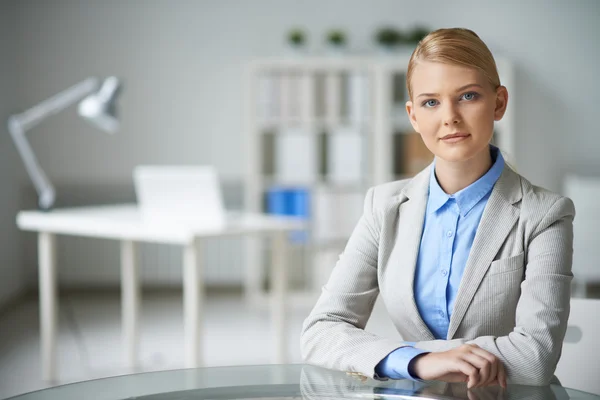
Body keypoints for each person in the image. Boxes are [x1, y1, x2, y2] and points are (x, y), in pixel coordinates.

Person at [300, 28, 575, 389]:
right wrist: (420, 362)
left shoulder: (545, 214)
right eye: (431, 102)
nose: (450, 117)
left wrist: (408, 357)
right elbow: (320, 331)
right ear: (413, 116)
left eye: (468, 96)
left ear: (499, 103)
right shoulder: (384, 208)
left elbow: (534, 358)